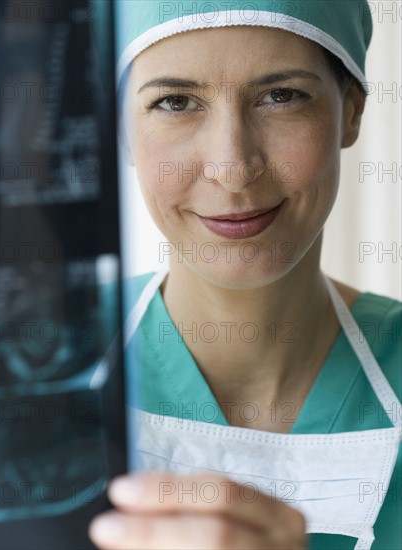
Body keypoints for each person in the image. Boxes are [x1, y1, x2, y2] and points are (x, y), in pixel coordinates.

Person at [89, 1, 401, 549]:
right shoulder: (16, 372)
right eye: (176, 101)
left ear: (351, 110)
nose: (232, 166)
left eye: (281, 95)